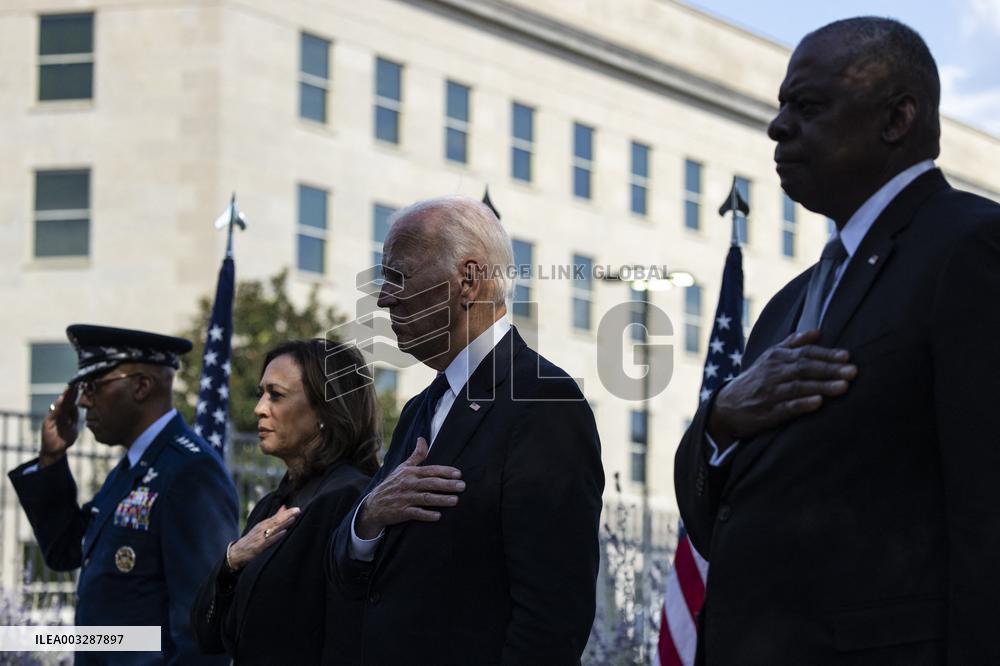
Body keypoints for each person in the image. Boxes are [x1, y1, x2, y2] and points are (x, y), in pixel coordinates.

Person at [674, 17, 1000, 665]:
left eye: (809, 105)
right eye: (780, 107)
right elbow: (719, 520)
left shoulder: (971, 248)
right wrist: (723, 419)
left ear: (895, 119)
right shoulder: (787, 305)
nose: (778, 126)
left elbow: (988, 515)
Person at [329, 196, 604, 665]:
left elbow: (552, 619)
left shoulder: (543, 402)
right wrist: (369, 515)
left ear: (469, 280)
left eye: (398, 276)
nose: (383, 298)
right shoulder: (422, 407)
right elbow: (351, 576)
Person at [8, 324, 239, 665]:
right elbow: (65, 551)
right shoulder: (133, 467)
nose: (83, 401)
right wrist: (52, 459)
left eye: (93, 386)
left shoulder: (190, 470)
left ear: (141, 386)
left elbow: (202, 627)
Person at [191, 339, 379, 664]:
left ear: (326, 408)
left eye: (276, 395)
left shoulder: (350, 498)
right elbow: (209, 635)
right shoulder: (271, 505)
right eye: (261, 393)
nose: (259, 408)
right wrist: (232, 560)